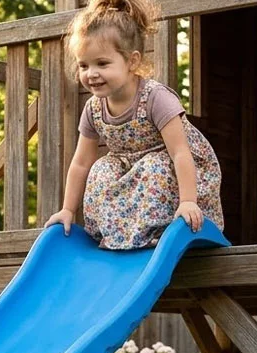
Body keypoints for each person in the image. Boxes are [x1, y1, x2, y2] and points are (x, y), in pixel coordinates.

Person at [44, 0, 224, 249]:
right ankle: (116, 234)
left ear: (132, 61)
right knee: (101, 168)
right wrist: (67, 210)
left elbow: (180, 153)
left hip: (175, 173)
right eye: (84, 65)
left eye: (102, 63)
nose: (91, 73)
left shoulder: (156, 98)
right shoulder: (94, 108)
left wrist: (188, 201)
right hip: (135, 171)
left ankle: (159, 230)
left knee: (153, 165)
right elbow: (81, 162)